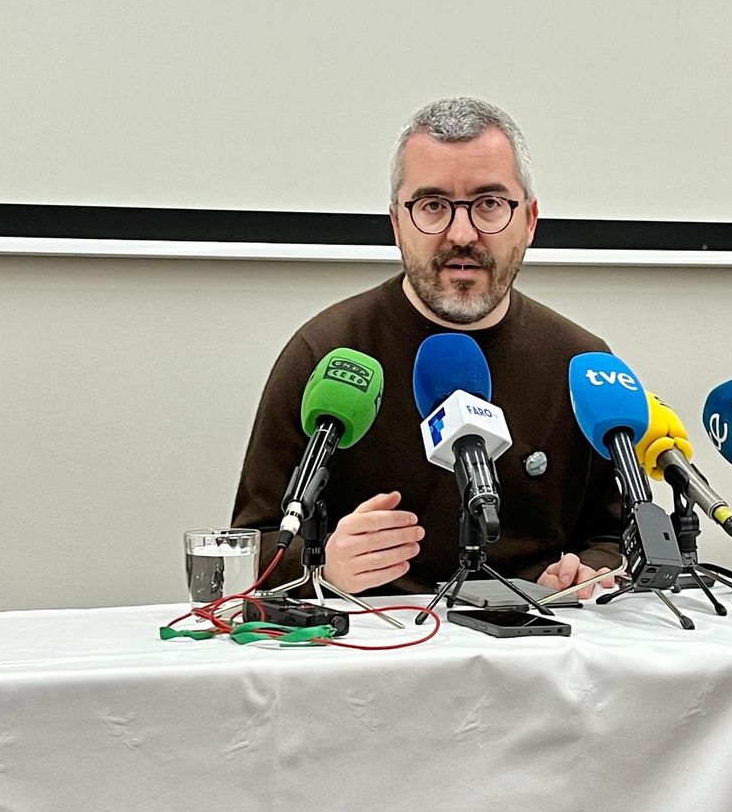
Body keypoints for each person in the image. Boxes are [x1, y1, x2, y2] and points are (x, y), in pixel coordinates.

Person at [231, 97, 623, 597]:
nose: (462, 234)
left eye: (490, 204)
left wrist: (585, 574)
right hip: (375, 650)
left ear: (530, 221)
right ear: (396, 223)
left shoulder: (581, 364)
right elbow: (250, 546)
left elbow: (615, 535)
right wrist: (323, 566)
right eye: (433, 206)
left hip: (537, 650)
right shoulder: (327, 354)